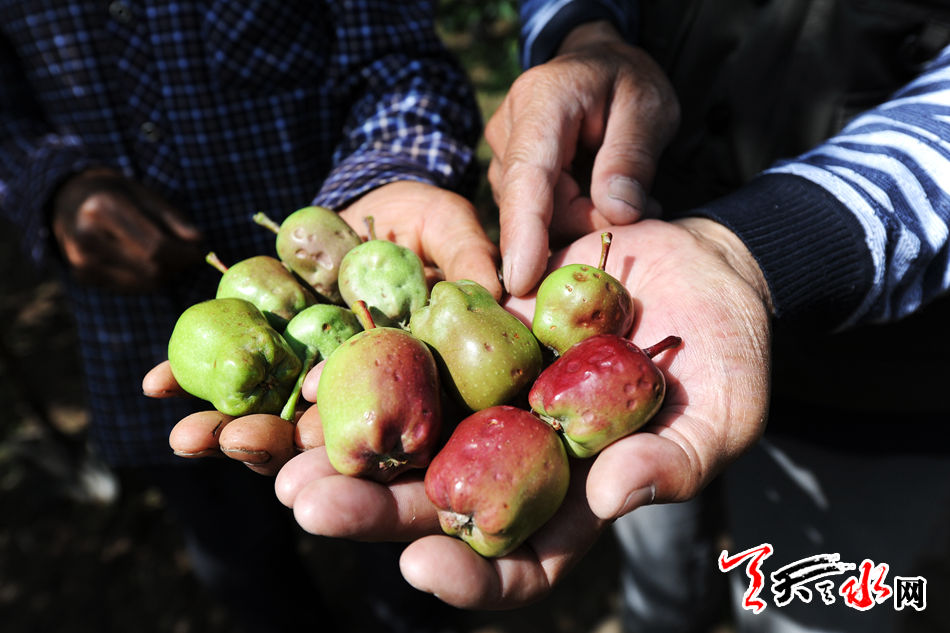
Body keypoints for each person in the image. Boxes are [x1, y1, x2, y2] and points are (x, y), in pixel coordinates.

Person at [160, 1, 950, 630]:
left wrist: (765, 249)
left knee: (809, 605)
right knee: (652, 547)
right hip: (629, 324)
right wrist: (585, 30)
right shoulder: (534, 383)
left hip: (880, 381)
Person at [1, 3, 499, 632]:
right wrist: (49, 183)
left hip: (350, 315)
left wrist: (390, 174)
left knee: (406, 576)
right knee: (244, 570)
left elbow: (403, 61)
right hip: (134, 336)